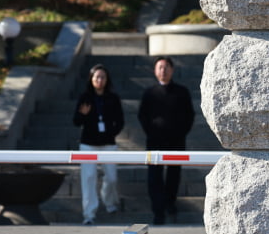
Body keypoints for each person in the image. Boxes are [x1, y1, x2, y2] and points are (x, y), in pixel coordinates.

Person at [138, 56, 195, 224]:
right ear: (155, 71)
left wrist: (181, 132)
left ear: (172, 70)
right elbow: (142, 115)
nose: (163, 70)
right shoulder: (149, 93)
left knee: (173, 175)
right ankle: (158, 211)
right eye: (160, 67)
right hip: (155, 142)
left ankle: (170, 203)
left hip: (176, 141)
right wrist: (151, 131)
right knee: (154, 177)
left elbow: (189, 115)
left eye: (166, 67)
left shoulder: (182, 91)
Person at [73, 64, 124, 225]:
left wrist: (111, 133)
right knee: (88, 178)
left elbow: (120, 121)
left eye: (102, 77)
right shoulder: (85, 97)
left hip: (108, 143)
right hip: (88, 143)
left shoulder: (113, 98)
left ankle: (109, 202)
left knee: (112, 177)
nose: (99, 80)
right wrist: (83, 114)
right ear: (91, 79)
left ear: (107, 79)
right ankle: (89, 214)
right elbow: (76, 121)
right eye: (96, 77)